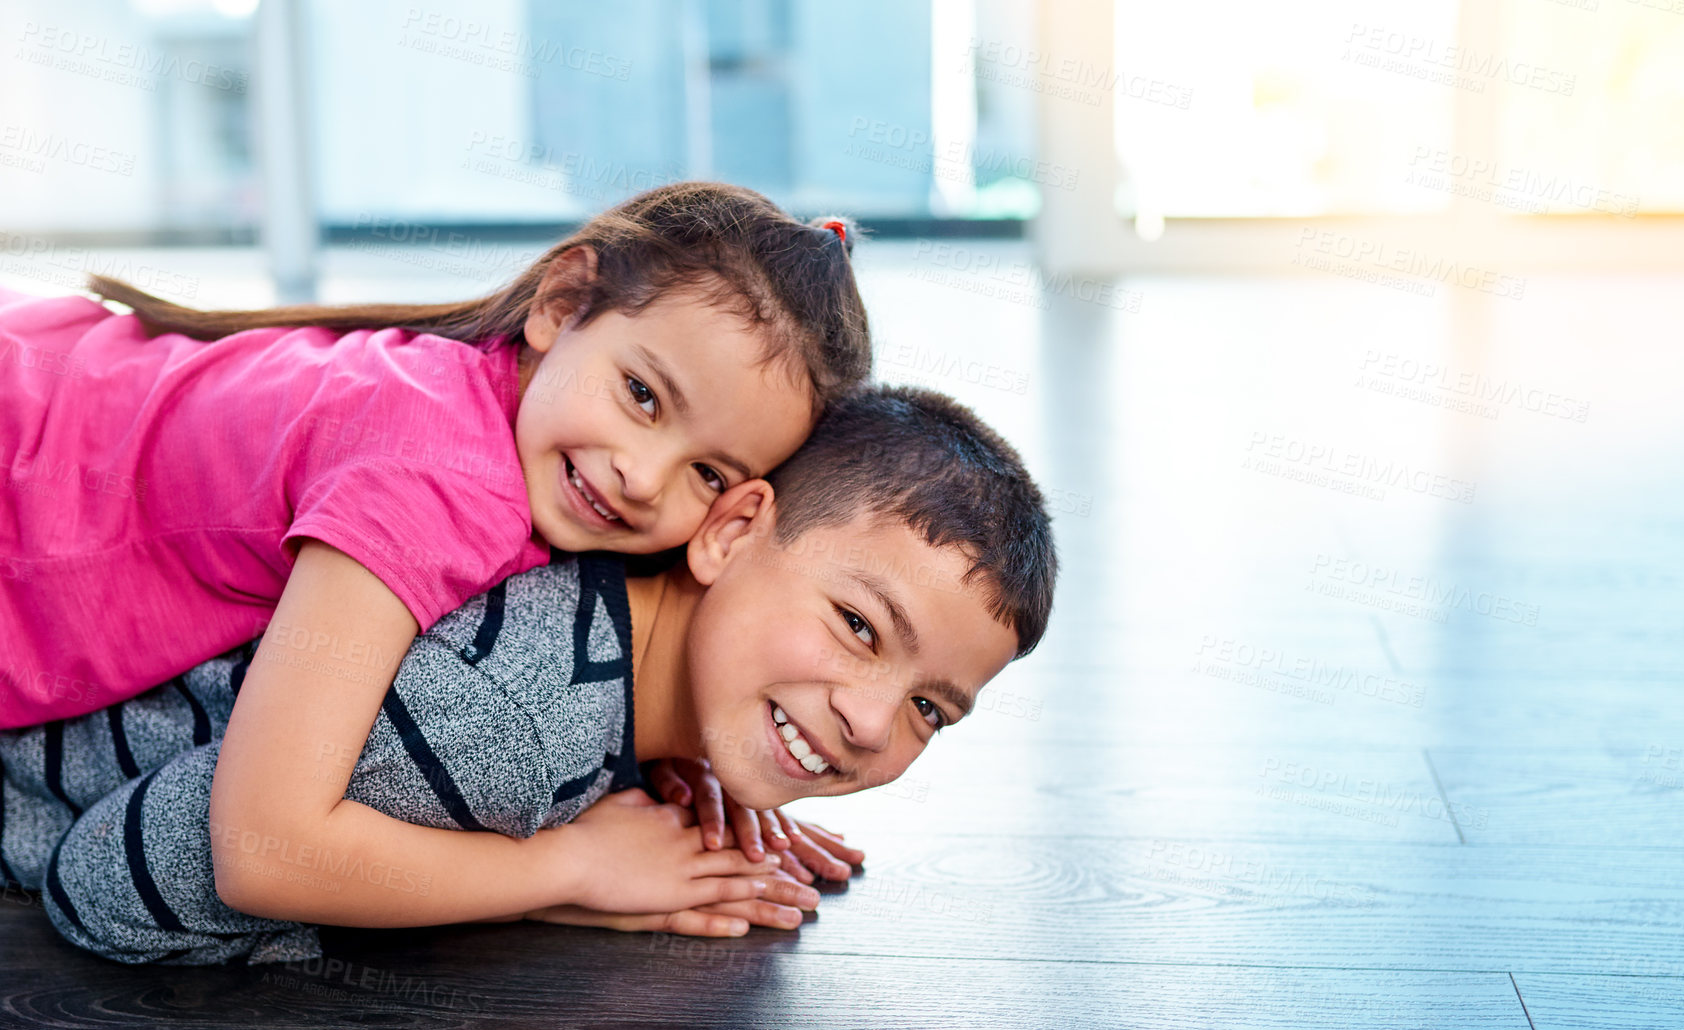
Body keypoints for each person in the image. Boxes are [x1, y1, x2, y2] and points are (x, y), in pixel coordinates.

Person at [0, 386, 1057, 964]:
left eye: (930, 709)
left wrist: (709, 756)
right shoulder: (502, 732)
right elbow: (106, 887)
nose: (872, 724)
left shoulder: (601, 574)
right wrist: (557, 876)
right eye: (859, 627)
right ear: (731, 530)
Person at [0, 179, 870, 737]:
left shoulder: (500, 392)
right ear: (560, 302)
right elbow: (263, 841)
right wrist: (576, 870)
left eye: (708, 474)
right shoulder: (438, 477)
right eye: (642, 395)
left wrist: (675, 756)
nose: (642, 478)